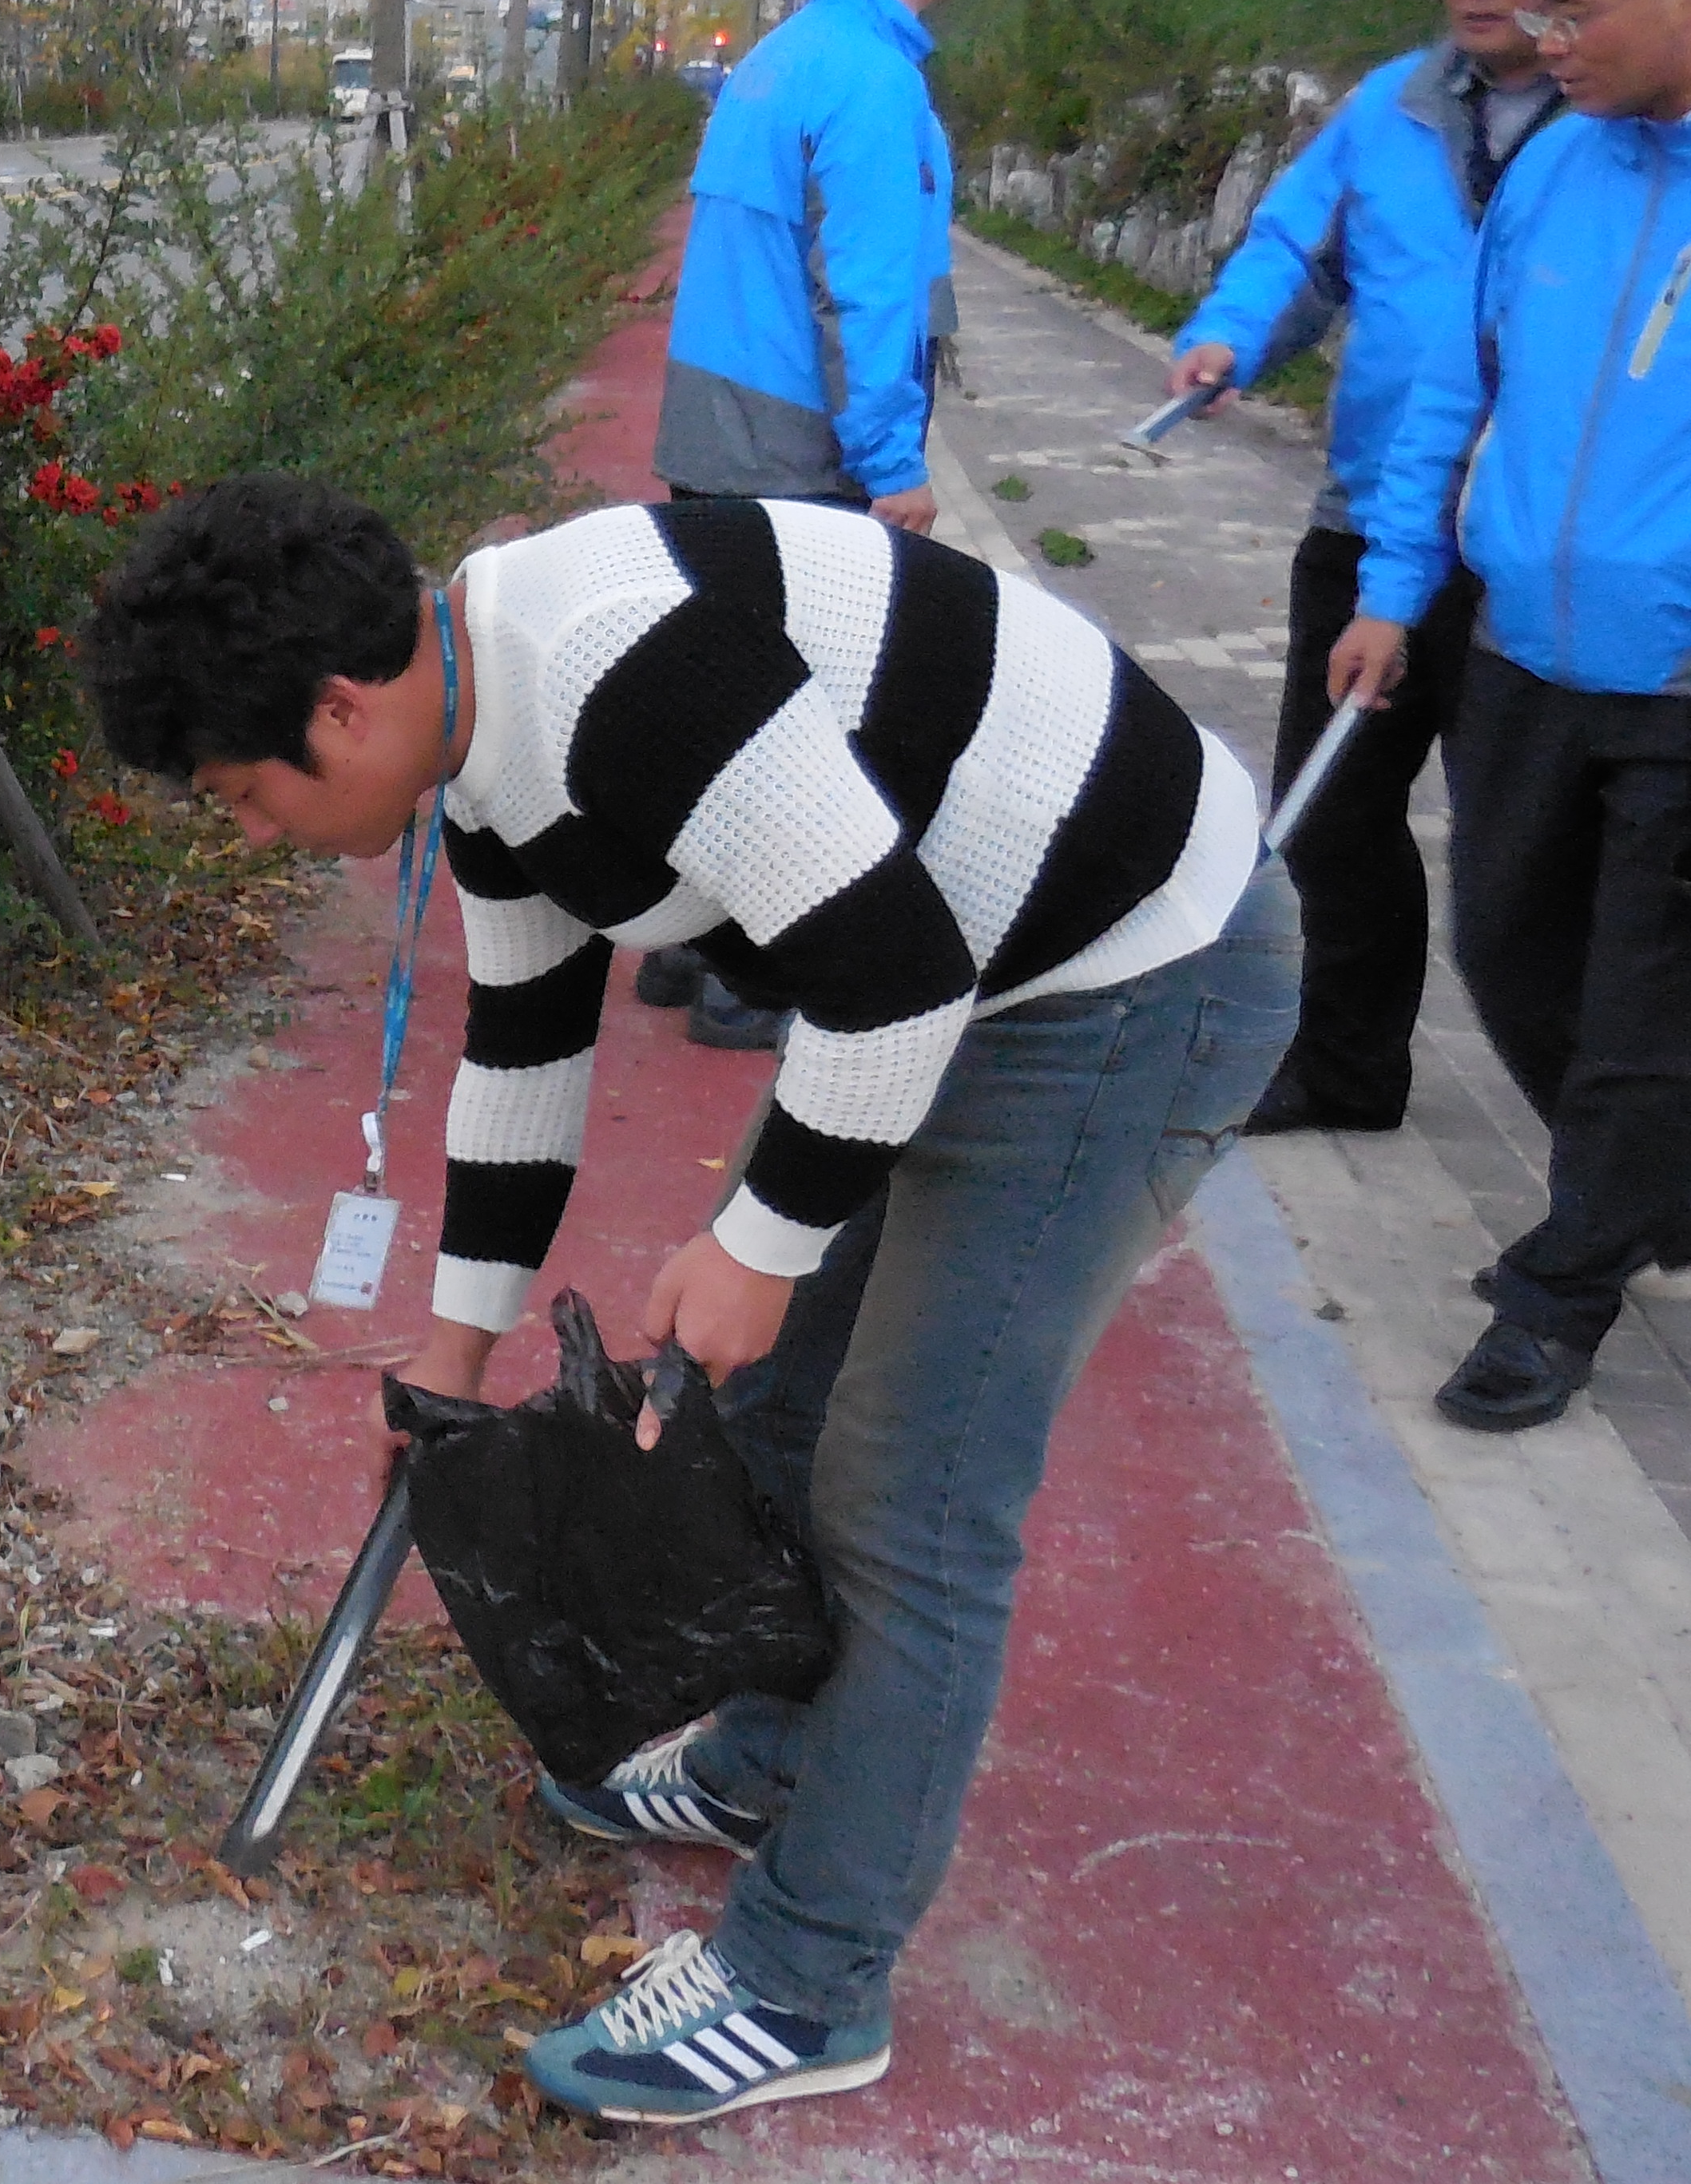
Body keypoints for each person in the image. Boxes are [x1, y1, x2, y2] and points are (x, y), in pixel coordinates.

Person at [85, 475, 1294, 2128]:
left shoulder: (620, 676)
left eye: (240, 796)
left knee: (911, 1493)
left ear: (343, 709)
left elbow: (892, 984)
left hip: (1128, 971)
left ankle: (809, 1979)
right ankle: (773, 1763)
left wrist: (764, 1246)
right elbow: (525, 1053)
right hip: (952, 968)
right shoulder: (479, 734)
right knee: (769, 1415)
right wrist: (447, 1371)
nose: (250, 834)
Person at [1333, 0, 1691, 1433]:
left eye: (1573, 8)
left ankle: (1565, 1290)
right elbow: (1452, 397)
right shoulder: (1554, 167)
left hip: (1681, 683)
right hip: (1525, 653)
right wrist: (1395, 587)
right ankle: (1639, 1198)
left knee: (1637, 1009)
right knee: (1503, 947)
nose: (1541, 41)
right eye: (1530, 8)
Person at [1165, 0, 1578, 1136]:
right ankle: (1347, 1066)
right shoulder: (1396, 105)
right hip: (1367, 519)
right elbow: (1300, 240)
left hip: (1527, 544)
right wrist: (1235, 334)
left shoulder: (1608, 133)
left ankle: (1600, 1146)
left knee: (1524, 861)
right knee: (1335, 813)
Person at [639, 0, 974, 1051]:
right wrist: (897, 468)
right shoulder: (875, 81)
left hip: (716, 436)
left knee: (724, 708)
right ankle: (758, 984)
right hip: (803, 460)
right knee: (811, 732)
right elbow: (870, 291)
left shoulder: (779, 59)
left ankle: (689, 949)